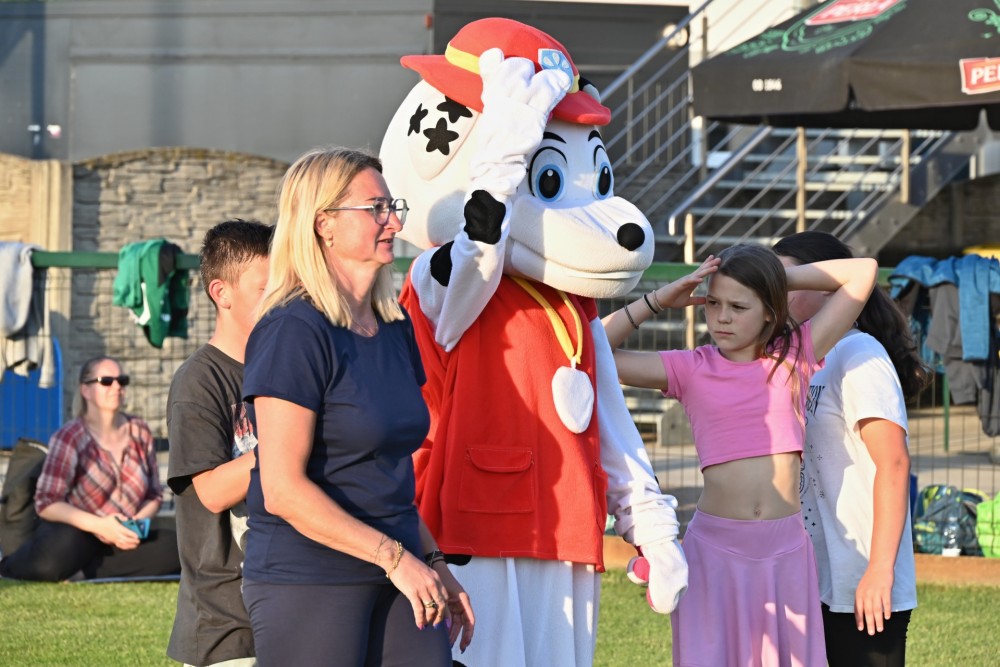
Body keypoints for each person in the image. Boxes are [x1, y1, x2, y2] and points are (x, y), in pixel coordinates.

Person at [240, 146, 474, 666]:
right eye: (376, 209)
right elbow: (282, 490)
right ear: (323, 224)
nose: (394, 222)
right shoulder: (292, 330)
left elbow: (391, 474)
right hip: (311, 575)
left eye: (393, 207)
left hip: (400, 566)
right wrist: (396, 559)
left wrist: (435, 563)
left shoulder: (395, 326)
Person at [603, 243, 878, 667]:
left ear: (769, 311)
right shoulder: (690, 368)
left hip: (786, 554)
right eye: (714, 303)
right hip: (714, 553)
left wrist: (772, 277)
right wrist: (657, 300)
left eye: (738, 305)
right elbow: (591, 349)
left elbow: (863, 272)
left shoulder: (795, 357)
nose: (722, 317)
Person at [774, 231, 927, 667]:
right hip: (818, 576)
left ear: (829, 287)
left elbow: (893, 463)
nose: (777, 294)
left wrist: (878, 570)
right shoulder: (804, 358)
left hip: (862, 580)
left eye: (789, 281)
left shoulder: (859, 353)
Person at [166, 219, 273, 667]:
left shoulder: (285, 367)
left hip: (285, 600)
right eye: (265, 287)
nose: (279, 297)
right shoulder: (199, 380)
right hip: (225, 622)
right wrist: (285, 445)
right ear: (221, 293)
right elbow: (210, 491)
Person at [0, 356, 180, 581]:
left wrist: (132, 525)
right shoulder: (70, 436)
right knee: (51, 560)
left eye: (122, 381)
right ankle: (18, 567)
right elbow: (46, 503)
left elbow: (154, 495)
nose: (117, 387)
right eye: (106, 381)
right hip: (78, 532)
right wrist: (101, 526)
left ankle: (82, 571)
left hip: (125, 534)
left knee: (179, 549)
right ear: (85, 390)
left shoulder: (139, 430)